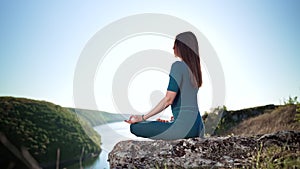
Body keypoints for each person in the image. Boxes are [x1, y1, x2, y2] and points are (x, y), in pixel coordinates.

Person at [125, 31, 205, 140]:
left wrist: (143, 117)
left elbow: (168, 100)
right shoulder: (195, 72)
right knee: (157, 124)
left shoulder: (178, 66)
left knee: (134, 127)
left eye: (175, 44)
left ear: (182, 47)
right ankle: (172, 124)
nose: (173, 48)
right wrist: (173, 121)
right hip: (198, 127)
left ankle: (171, 125)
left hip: (183, 129)